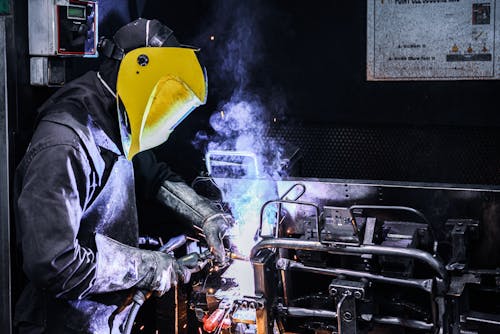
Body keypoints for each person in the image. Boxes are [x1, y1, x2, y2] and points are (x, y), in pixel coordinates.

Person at [14, 18, 233, 333]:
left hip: (105, 320)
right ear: (138, 75)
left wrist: (207, 216)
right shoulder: (65, 144)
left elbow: (153, 175)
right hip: (60, 324)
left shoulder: (116, 114)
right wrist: (147, 267)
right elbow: (53, 263)